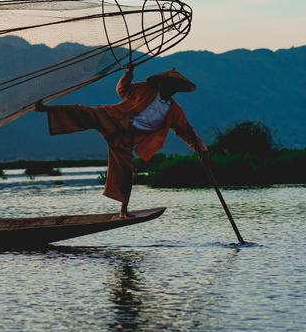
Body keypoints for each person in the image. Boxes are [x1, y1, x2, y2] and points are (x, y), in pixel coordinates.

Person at [35, 64, 207, 217]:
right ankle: (46, 109)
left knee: (125, 171)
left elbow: (186, 132)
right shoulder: (144, 89)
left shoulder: (174, 110)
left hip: (127, 138)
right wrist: (128, 74)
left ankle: (123, 210)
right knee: (85, 112)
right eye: (169, 85)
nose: (171, 89)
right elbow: (123, 91)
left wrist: (201, 150)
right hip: (114, 120)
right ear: (160, 83)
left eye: (174, 87)